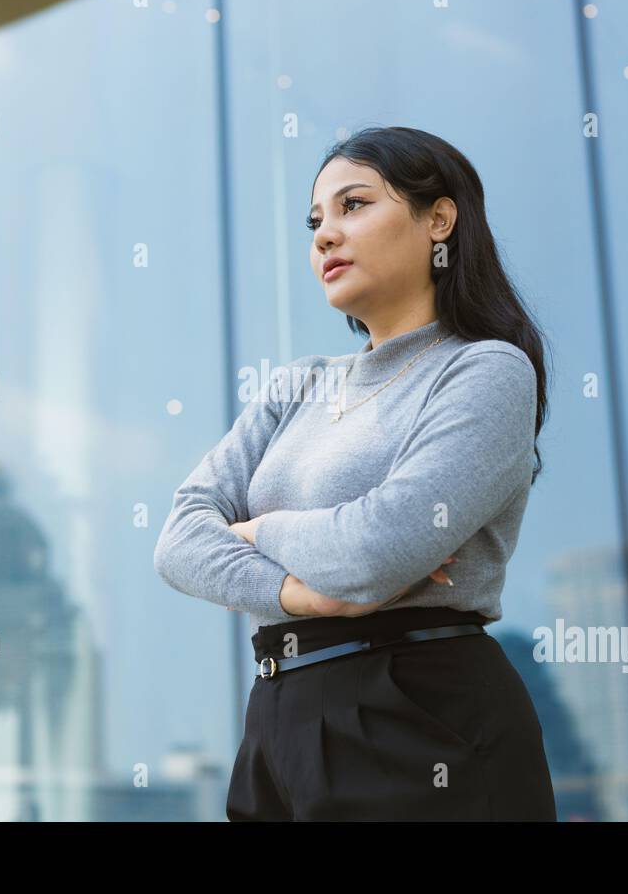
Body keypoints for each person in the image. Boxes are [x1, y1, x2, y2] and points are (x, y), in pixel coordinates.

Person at [154, 125, 555, 821]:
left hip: (417, 713)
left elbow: (377, 549)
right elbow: (178, 541)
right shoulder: (296, 386)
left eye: (354, 205)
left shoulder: (483, 371)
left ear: (439, 218)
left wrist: (252, 530)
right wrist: (305, 595)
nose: (325, 235)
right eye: (316, 220)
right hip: (275, 720)